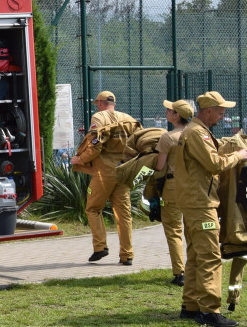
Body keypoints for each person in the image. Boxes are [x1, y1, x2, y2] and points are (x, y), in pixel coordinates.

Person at [172, 91, 247, 327]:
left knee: (196, 255)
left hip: (193, 201)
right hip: (201, 203)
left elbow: (209, 156)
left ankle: (190, 306)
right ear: (208, 111)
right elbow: (214, 163)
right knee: (210, 256)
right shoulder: (198, 133)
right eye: (220, 112)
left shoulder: (196, 131)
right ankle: (209, 311)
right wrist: (238, 155)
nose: (222, 116)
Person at [72, 91, 139, 265]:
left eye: (98, 104)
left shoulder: (98, 117)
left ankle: (100, 247)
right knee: (124, 215)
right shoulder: (128, 119)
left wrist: (80, 159)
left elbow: (95, 146)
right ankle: (127, 255)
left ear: (101, 103)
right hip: (123, 171)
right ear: (114, 103)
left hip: (104, 172)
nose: (97, 107)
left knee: (93, 209)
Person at [154, 99, 194, 286]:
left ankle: (180, 273)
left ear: (177, 115)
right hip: (193, 186)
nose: (166, 112)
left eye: (169, 110)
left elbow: (160, 165)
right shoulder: (196, 135)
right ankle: (195, 269)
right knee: (192, 230)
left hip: (173, 187)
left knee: (174, 230)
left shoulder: (168, 137)